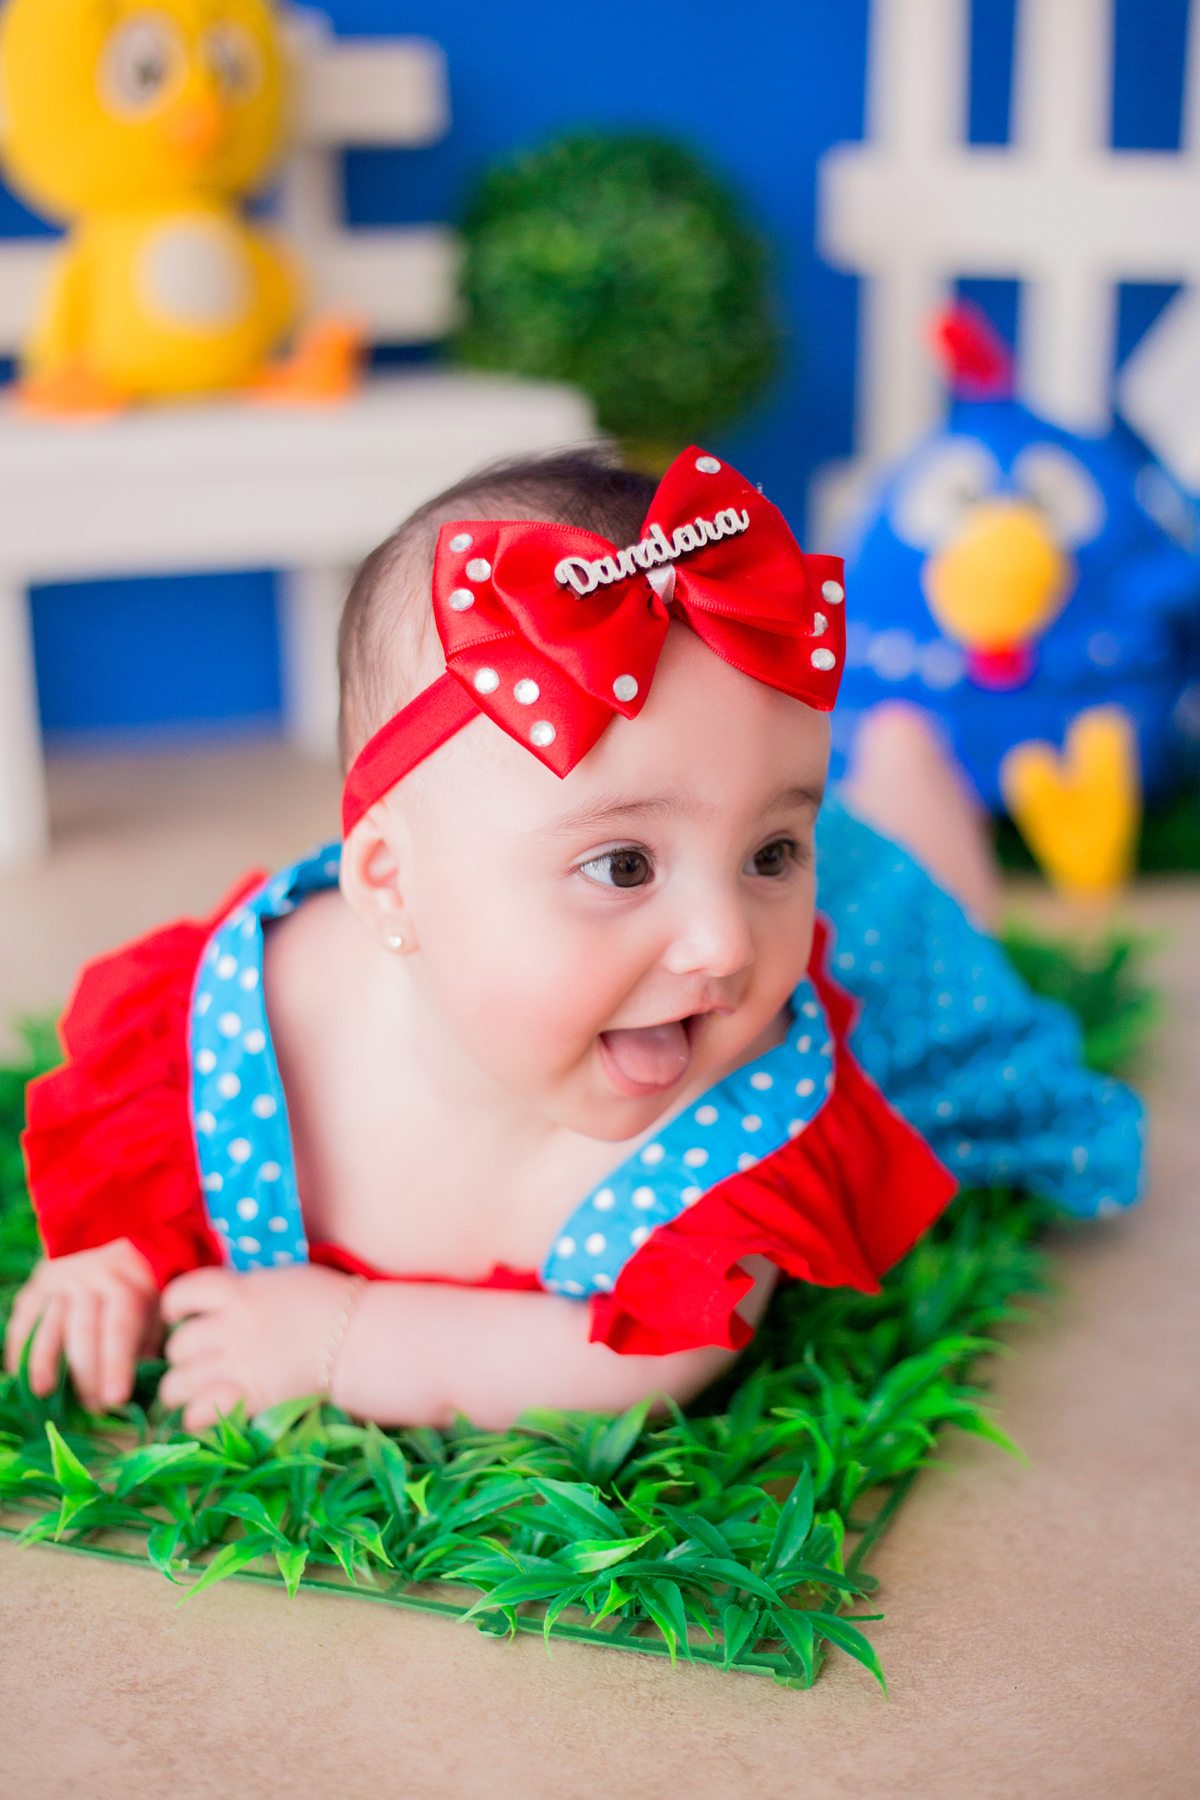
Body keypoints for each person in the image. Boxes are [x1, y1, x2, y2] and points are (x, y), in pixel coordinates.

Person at [4, 449, 1141, 1432]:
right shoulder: (255, 1015)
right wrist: (107, 1255)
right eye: (622, 867)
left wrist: (350, 1339)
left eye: (770, 856)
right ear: (391, 886)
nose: (723, 945)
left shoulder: (738, 1103)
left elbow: (643, 1362)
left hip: (880, 946)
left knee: (932, 925)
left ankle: (906, 774)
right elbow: (146, 1138)